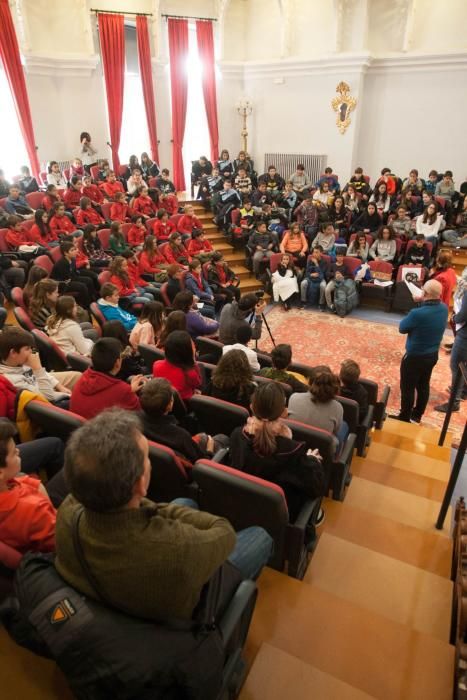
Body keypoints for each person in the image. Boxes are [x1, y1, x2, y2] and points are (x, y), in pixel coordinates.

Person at [55, 409, 273, 621]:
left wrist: (148, 507)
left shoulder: (68, 510)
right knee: (260, 536)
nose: (149, 462)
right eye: (147, 458)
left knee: (186, 502)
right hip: (178, 610)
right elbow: (224, 532)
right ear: (140, 484)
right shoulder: (176, 550)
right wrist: (156, 511)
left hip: (110, 585)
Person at [229, 382, 325, 521]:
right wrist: (312, 461)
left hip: (242, 507)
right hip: (278, 517)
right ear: (284, 413)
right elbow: (316, 488)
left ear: (251, 407)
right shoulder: (293, 451)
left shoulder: (238, 435)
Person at [391, 279, 448, 423]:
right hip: (432, 355)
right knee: (423, 385)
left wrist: (416, 306)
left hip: (414, 357)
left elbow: (402, 328)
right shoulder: (444, 308)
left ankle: (404, 417)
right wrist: (422, 303)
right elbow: (429, 312)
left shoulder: (417, 313)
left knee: (408, 388)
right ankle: (417, 416)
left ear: (425, 293)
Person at [0, 421, 59, 553]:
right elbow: (62, 543)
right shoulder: (35, 511)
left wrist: (35, 485)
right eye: (14, 453)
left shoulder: (8, 485)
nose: (19, 451)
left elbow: (16, 482)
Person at [140, 378, 225, 462]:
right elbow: (204, 463)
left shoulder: (133, 421)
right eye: (172, 397)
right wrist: (209, 450)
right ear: (169, 406)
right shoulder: (181, 436)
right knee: (222, 438)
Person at [0, 327, 80, 407]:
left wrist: (60, 386)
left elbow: (43, 373)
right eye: (27, 349)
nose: (32, 352)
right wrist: (37, 368)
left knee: (77, 376)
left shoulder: (19, 361)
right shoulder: (11, 380)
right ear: (13, 352)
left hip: (40, 381)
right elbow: (48, 398)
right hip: (46, 397)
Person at [70, 338, 145, 419]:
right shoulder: (123, 391)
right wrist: (130, 392)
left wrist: (129, 390)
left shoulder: (83, 377)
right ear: (117, 363)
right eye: (121, 356)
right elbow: (141, 413)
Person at [288, 367, 348, 454]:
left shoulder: (294, 397)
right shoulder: (338, 408)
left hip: (295, 448)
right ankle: (336, 463)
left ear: (310, 382)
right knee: (344, 425)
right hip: (322, 453)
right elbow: (335, 431)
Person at [435, 268, 467, 412]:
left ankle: (454, 402)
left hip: (465, 334)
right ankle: (464, 391)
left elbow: (463, 315)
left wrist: (454, 318)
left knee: (457, 367)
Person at [152, 330, 202, 400]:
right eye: (191, 343)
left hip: (165, 403)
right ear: (186, 351)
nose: (194, 344)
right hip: (186, 404)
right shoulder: (190, 373)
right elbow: (198, 383)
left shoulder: (156, 365)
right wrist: (193, 359)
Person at [51, 241, 96, 309]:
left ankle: (92, 298)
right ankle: (87, 306)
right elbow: (65, 278)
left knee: (89, 280)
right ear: (65, 253)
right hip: (63, 283)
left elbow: (74, 273)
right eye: (72, 250)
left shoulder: (73, 259)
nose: (75, 251)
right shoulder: (62, 263)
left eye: (75, 249)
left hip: (71, 277)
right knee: (82, 286)